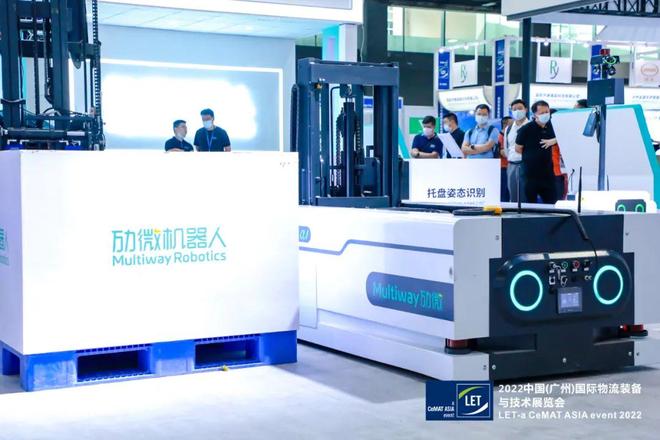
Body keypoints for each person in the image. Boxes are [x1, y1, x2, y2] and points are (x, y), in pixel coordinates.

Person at [515, 100, 558, 204]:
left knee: (552, 204)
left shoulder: (553, 127)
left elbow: (564, 138)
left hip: (548, 174)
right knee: (529, 205)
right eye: (541, 113)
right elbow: (518, 148)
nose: (545, 115)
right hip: (530, 175)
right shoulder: (526, 129)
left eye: (547, 112)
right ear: (534, 115)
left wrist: (554, 140)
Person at [505, 99, 530, 203]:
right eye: (514, 109)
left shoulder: (531, 126)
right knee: (513, 196)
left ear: (526, 110)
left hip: (526, 164)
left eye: (520, 108)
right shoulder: (509, 128)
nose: (517, 111)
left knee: (526, 196)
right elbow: (506, 147)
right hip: (511, 164)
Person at [499, 116, 513, 202]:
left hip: (509, 167)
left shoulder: (509, 136)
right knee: (504, 193)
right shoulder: (500, 137)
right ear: (506, 125)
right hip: (503, 168)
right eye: (512, 124)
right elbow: (503, 153)